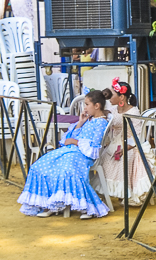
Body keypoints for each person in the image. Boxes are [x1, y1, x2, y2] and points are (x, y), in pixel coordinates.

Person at [18, 89, 110, 219]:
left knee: (66, 170)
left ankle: (84, 206)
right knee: (39, 166)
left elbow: (94, 146)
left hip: (82, 156)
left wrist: (74, 141)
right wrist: (80, 122)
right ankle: (50, 204)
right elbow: (69, 137)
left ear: (97, 106)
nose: (84, 108)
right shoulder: (89, 120)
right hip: (70, 151)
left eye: (86, 104)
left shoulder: (101, 123)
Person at [93, 79, 156, 207]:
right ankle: (107, 192)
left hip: (131, 145)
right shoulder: (112, 110)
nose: (110, 97)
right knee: (105, 157)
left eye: (112, 94)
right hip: (114, 143)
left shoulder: (133, 112)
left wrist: (125, 148)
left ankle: (125, 193)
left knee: (123, 160)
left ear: (121, 97)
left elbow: (137, 135)